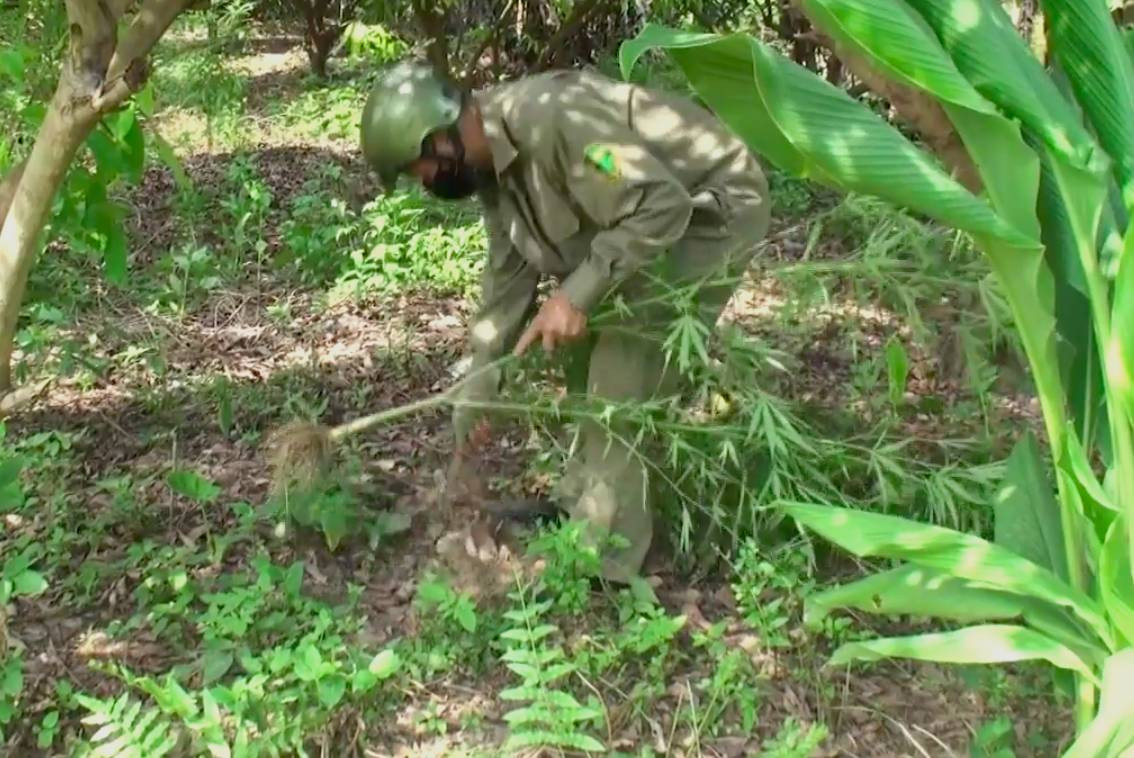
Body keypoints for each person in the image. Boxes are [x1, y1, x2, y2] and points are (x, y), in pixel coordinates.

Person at [359, 59, 771, 583]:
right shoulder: (490, 168)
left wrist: (575, 295)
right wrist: (482, 378)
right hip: (640, 219)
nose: (423, 183)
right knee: (577, 352)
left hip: (709, 212)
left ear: (437, 138)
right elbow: (507, 276)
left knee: (619, 379)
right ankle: (580, 503)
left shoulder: (556, 121)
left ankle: (605, 560)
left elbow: (660, 204)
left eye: (416, 169)